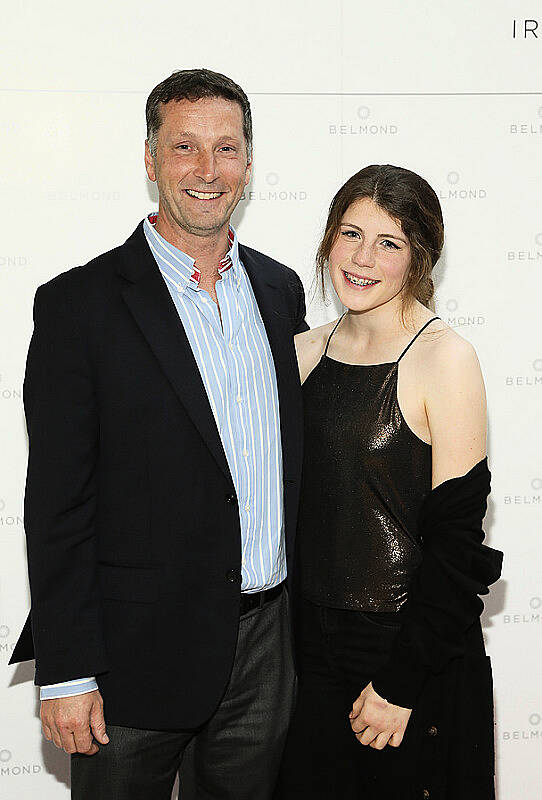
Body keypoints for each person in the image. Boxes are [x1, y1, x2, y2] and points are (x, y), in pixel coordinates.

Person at [9, 68, 308, 800]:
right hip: (131, 663)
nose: (207, 171)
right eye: (185, 148)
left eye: (227, 149)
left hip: (266, 651)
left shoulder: (280, 291)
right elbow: (58, 506)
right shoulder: (78, 306)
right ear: (150, 162)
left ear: (248, 163)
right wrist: (69, 672)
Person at [276, 164, 503, 800]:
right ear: (327, 239)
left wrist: (401, 684)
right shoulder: (300, 353)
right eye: (350, 233)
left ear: (419, 258)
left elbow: (459, 547)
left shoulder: (444, 358)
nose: (362, 257)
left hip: (407, 658)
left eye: (389, 243)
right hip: (305, 658)